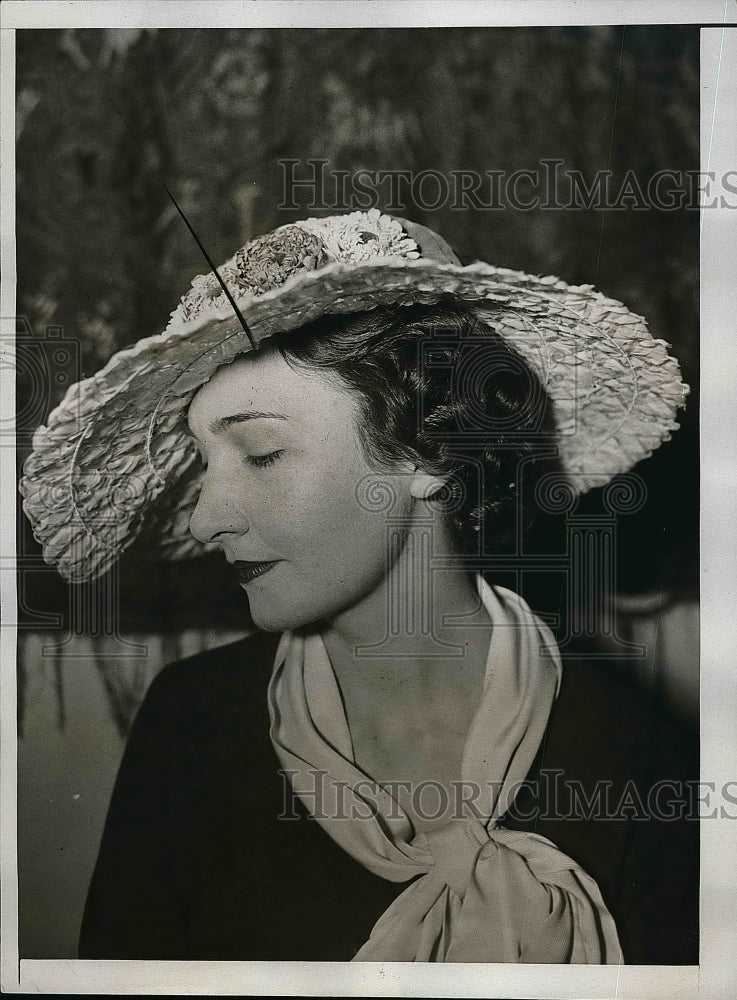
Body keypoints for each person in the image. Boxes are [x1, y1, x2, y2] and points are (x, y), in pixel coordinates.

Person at [20, 210, 697, 963]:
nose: (207, 519)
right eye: (207, 463)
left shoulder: (630, 741)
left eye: (263, 453)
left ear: (428, 452)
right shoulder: (191, 723)